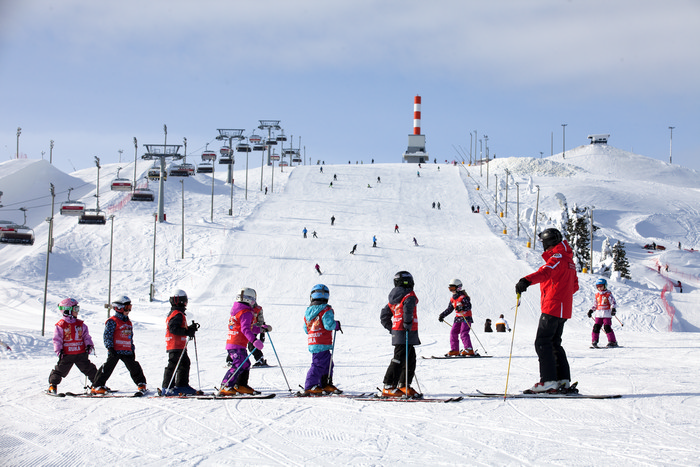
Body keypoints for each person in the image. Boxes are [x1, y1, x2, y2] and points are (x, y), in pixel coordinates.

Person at [515, 228, 579, 393]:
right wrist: (560, 293)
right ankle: (562, 380)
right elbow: (575, 286)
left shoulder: (557, 257)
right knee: (554, 343)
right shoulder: (569, 260)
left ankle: (549, 381)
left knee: (542, 343)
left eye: (543, 242)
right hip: (562, 309)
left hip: (553, 307)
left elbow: (546, 272)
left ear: (548, 242)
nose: (543, 246)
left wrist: (526, 281)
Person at [92, 296, 147, 394]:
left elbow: (130, 337)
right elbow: (107, 335)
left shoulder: (128, 322)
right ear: (119, 308)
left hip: (126, 350)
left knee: (134, 367)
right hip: (115, 350)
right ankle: (97, 385)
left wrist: (132, 348)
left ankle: (141, 383)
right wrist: (110, 347)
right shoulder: (112, 321)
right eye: (127, 308)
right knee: (108, 367)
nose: (129, 310)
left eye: (130, 307)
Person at [218, 288, 269, 395]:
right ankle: (225, 385)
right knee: (238, 364)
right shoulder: (246, 312)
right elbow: (245, 329)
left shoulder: (238, 310)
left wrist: (260, 329)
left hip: (236, 343)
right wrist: (254, 340)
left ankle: (241, 385)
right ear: (249, 300)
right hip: (236, 343)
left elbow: (248, 327)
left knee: (245, 364)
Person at [380, 271, 421, 397]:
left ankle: (403, 384)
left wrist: (392, 329)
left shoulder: (394, 298)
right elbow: (407, 310)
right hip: (406, 331)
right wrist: (407, 324)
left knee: (410, 358)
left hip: (402, 332)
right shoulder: (409, 295)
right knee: (399, 358)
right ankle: (388, 385)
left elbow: (384, 315)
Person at [47, 298, 98, 394]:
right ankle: (52, 386)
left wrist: (89, 345)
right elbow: (57, 339)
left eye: (77, 309)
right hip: (67, 353)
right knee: (60, 370)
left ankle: (97, 385)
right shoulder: (61, 325)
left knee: (90, 369)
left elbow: (86, 336)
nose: (77, 312)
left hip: (80, 353)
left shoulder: (81, 324)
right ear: (68, 310)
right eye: (75, 309)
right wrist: (59, 350)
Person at [301, 284, 343, 395]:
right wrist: (336, 324)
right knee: (319, 364)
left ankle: (325, 384)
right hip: (322, 341)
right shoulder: (326, 310)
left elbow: (306, 329)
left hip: (314, 341)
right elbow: (329, 325)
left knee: (328, 363)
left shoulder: (308, 312)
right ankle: (310, 386)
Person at [161, 289, 201, 396]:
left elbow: (179, 328)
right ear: (182, 301)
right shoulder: (177, 314)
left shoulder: (178, 313)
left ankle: (181, 385)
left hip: (179, 345)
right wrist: (187, 331)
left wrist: (190, 329)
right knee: (173, 364)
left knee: (184, 363)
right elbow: (173, 329)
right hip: (175, 344)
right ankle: (167, 387)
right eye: (185, 301)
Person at [438, 279, 475, 356]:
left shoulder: (463, 297)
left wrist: (462, 308)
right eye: (450, 289)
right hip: (458, 318)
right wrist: (442, 315)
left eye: (453, 288)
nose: (451, 291)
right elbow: (449, 309)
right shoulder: (452, 299)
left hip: (466, 317)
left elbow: (469, 306)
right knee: (453, 333)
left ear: (458, 288)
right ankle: (455, 350)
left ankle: (469, 349)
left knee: (463, 333)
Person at [587, 278, 618, 348]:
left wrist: (613, 309)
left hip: (607, 314)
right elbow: (595, 305)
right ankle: (594, 341)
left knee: (607, 327)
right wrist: (591, 310)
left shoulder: (608, 294)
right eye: (598, 286)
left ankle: (612, 341)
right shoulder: (597, 295)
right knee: (596, 327)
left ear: (605, 285)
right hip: (598, 314)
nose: (599, 287)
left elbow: (613, 302)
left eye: (601, 286)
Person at [247, 302, 270, 367]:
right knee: (237, 344)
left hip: (253, 329)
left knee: (251, 346)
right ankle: (232, 360)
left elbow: (261, 321)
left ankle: (260, 360)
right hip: (244, 329)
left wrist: (262, 333)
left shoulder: (258, 309)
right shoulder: (244, 307)